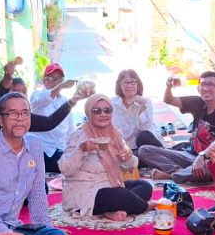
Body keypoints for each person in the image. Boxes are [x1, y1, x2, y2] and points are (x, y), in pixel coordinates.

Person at [0, 92, 69, 235]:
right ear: (0, 120)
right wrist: (6, 234)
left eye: (25, 113)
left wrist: (44, 228)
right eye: (13, 113)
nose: (20, 119)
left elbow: (37, 192)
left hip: (15, 225)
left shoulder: (35, 144)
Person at [60, 93, 154, 221]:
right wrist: (81, 149)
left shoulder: (115, 133)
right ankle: (145, 206)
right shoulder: (80, 135)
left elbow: (129, 166)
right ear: (89, 113)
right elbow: (66, 169)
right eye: (97, 111)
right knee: (121, 195)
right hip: (86, 190)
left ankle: (109, 210)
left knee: (145, 186)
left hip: (110, 184)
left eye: (107, 110)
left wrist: (128, 156)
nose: (103, 114)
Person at [139, 70, 215, 183]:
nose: (206, 88)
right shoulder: (198, 102)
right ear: (198, 88)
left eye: (211, 84)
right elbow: (169, 100)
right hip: (189, 155)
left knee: (208, 171)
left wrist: (202, 156)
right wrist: (169, 87)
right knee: (144, 150)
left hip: (213, 160)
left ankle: (172, 176)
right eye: (203, 84)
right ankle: (179, 172)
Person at [0, 57, 86, 138]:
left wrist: (73, 100)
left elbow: (49, 123)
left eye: (23, 93)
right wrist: (7, 77)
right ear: (0, 120)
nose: (19, 96)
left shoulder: (24, 118)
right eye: (15, 91)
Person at [29, 63, 78, 173]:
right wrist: (60, 86)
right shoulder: (36, 95)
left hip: (59, 151)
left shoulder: (65, 101)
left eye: (59, 78)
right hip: (40, 150)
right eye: (52, 78)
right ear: (44, 80)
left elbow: (70, 129)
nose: (56, 81)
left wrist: (70, 150)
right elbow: (44, 99)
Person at [111, 69, 160, 149]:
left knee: (144, 136)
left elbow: (146, 129)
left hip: (143, 145)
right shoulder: (112, 103)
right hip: (120, 147)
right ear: (120, 85)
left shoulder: (146, 101)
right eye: (126, 82)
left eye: (133, 82)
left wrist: (142, 107)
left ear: (138, 85)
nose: (129, 86)